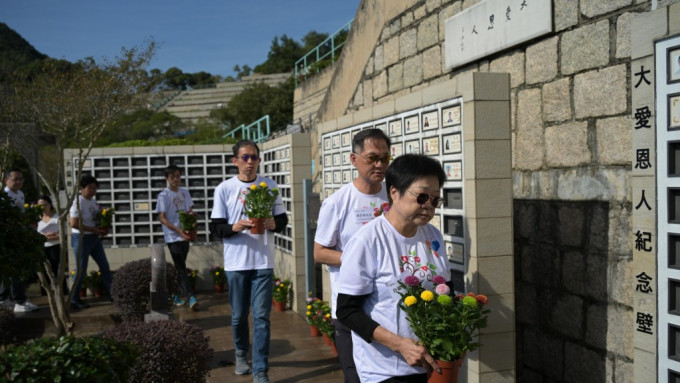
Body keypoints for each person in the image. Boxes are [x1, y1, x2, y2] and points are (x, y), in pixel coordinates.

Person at [336, 154, 450, 383]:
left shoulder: (433, 236)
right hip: (384, 370)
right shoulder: (367, 241)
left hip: (428, 364)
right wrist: (400, 345)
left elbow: (447, 290)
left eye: (435, 199)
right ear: (395, 192)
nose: (428, 205)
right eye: (422, 196)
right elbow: (347, 311)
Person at [314, 128, 391, 383]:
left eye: (384, 158)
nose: (379, 165)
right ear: (354, 159)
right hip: (350, 308)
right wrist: (358, 260)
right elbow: (320, 253)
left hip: (387, 308)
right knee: (355, 377)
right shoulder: (338, 202)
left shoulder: (395, 196)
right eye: (372, 158)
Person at [210, 140, 288, 383]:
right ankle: (241, 353)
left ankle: (260, 369)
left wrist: (275, 224)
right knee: (238, 316)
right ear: (235, 161)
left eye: (254, 157)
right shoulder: (224, 189)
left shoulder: (269, 185)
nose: (250, 162)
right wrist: (235, 227)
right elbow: (216, 228)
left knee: (262, 317)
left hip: (263, 261)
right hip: (236, 264)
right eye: (245, 158)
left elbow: (282, 220)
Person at [156, 165, 198, 310]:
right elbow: (162, 218)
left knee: (180, 267)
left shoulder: (185, 193)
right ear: (167, 179)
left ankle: (174, 294)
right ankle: (191, 296)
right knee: (180, 267)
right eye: (172, 176)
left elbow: (190, 213)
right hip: (172, 236)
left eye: (178, 176)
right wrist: (178, 231)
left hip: (185, 235)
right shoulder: (164, 195)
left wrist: (193, 230)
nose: (175, 179)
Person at [69, 174, 113, 310]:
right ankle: (74, 299)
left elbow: (97, 218)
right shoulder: (78, 202)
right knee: (81, 270)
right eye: (90, 188)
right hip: (82, 238)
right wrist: (93, 229)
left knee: (105, 266)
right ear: (82, 188)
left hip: (94, 238)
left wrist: (103, 228)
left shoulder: (93, 202)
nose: (93, 191)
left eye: (95, 188)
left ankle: (115, 294)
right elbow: (73, 223)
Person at [1, 169, 39, 312]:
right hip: (7, 237)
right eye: (15, 179)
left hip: (18, 236)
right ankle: (15, 300)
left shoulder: (20, 194)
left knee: (17, 270)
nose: (18, 182)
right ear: (6, 180)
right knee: (12, 270)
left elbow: (20, 216)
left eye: (20, 179)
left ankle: (18, 299)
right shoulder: (4, 196)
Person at [37, 195, 68, 294]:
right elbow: (36, 236)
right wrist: (47, 236)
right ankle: (46, 293)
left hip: (55, 247)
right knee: (44, 272)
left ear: (50, 204)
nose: (42, 207)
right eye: (40, 205)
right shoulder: (37, 220)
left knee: (58, 271)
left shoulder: (57, 218)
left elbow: (62, 235)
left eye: (44, 205)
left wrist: (47, 237)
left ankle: (62, 292)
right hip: (42, 248)